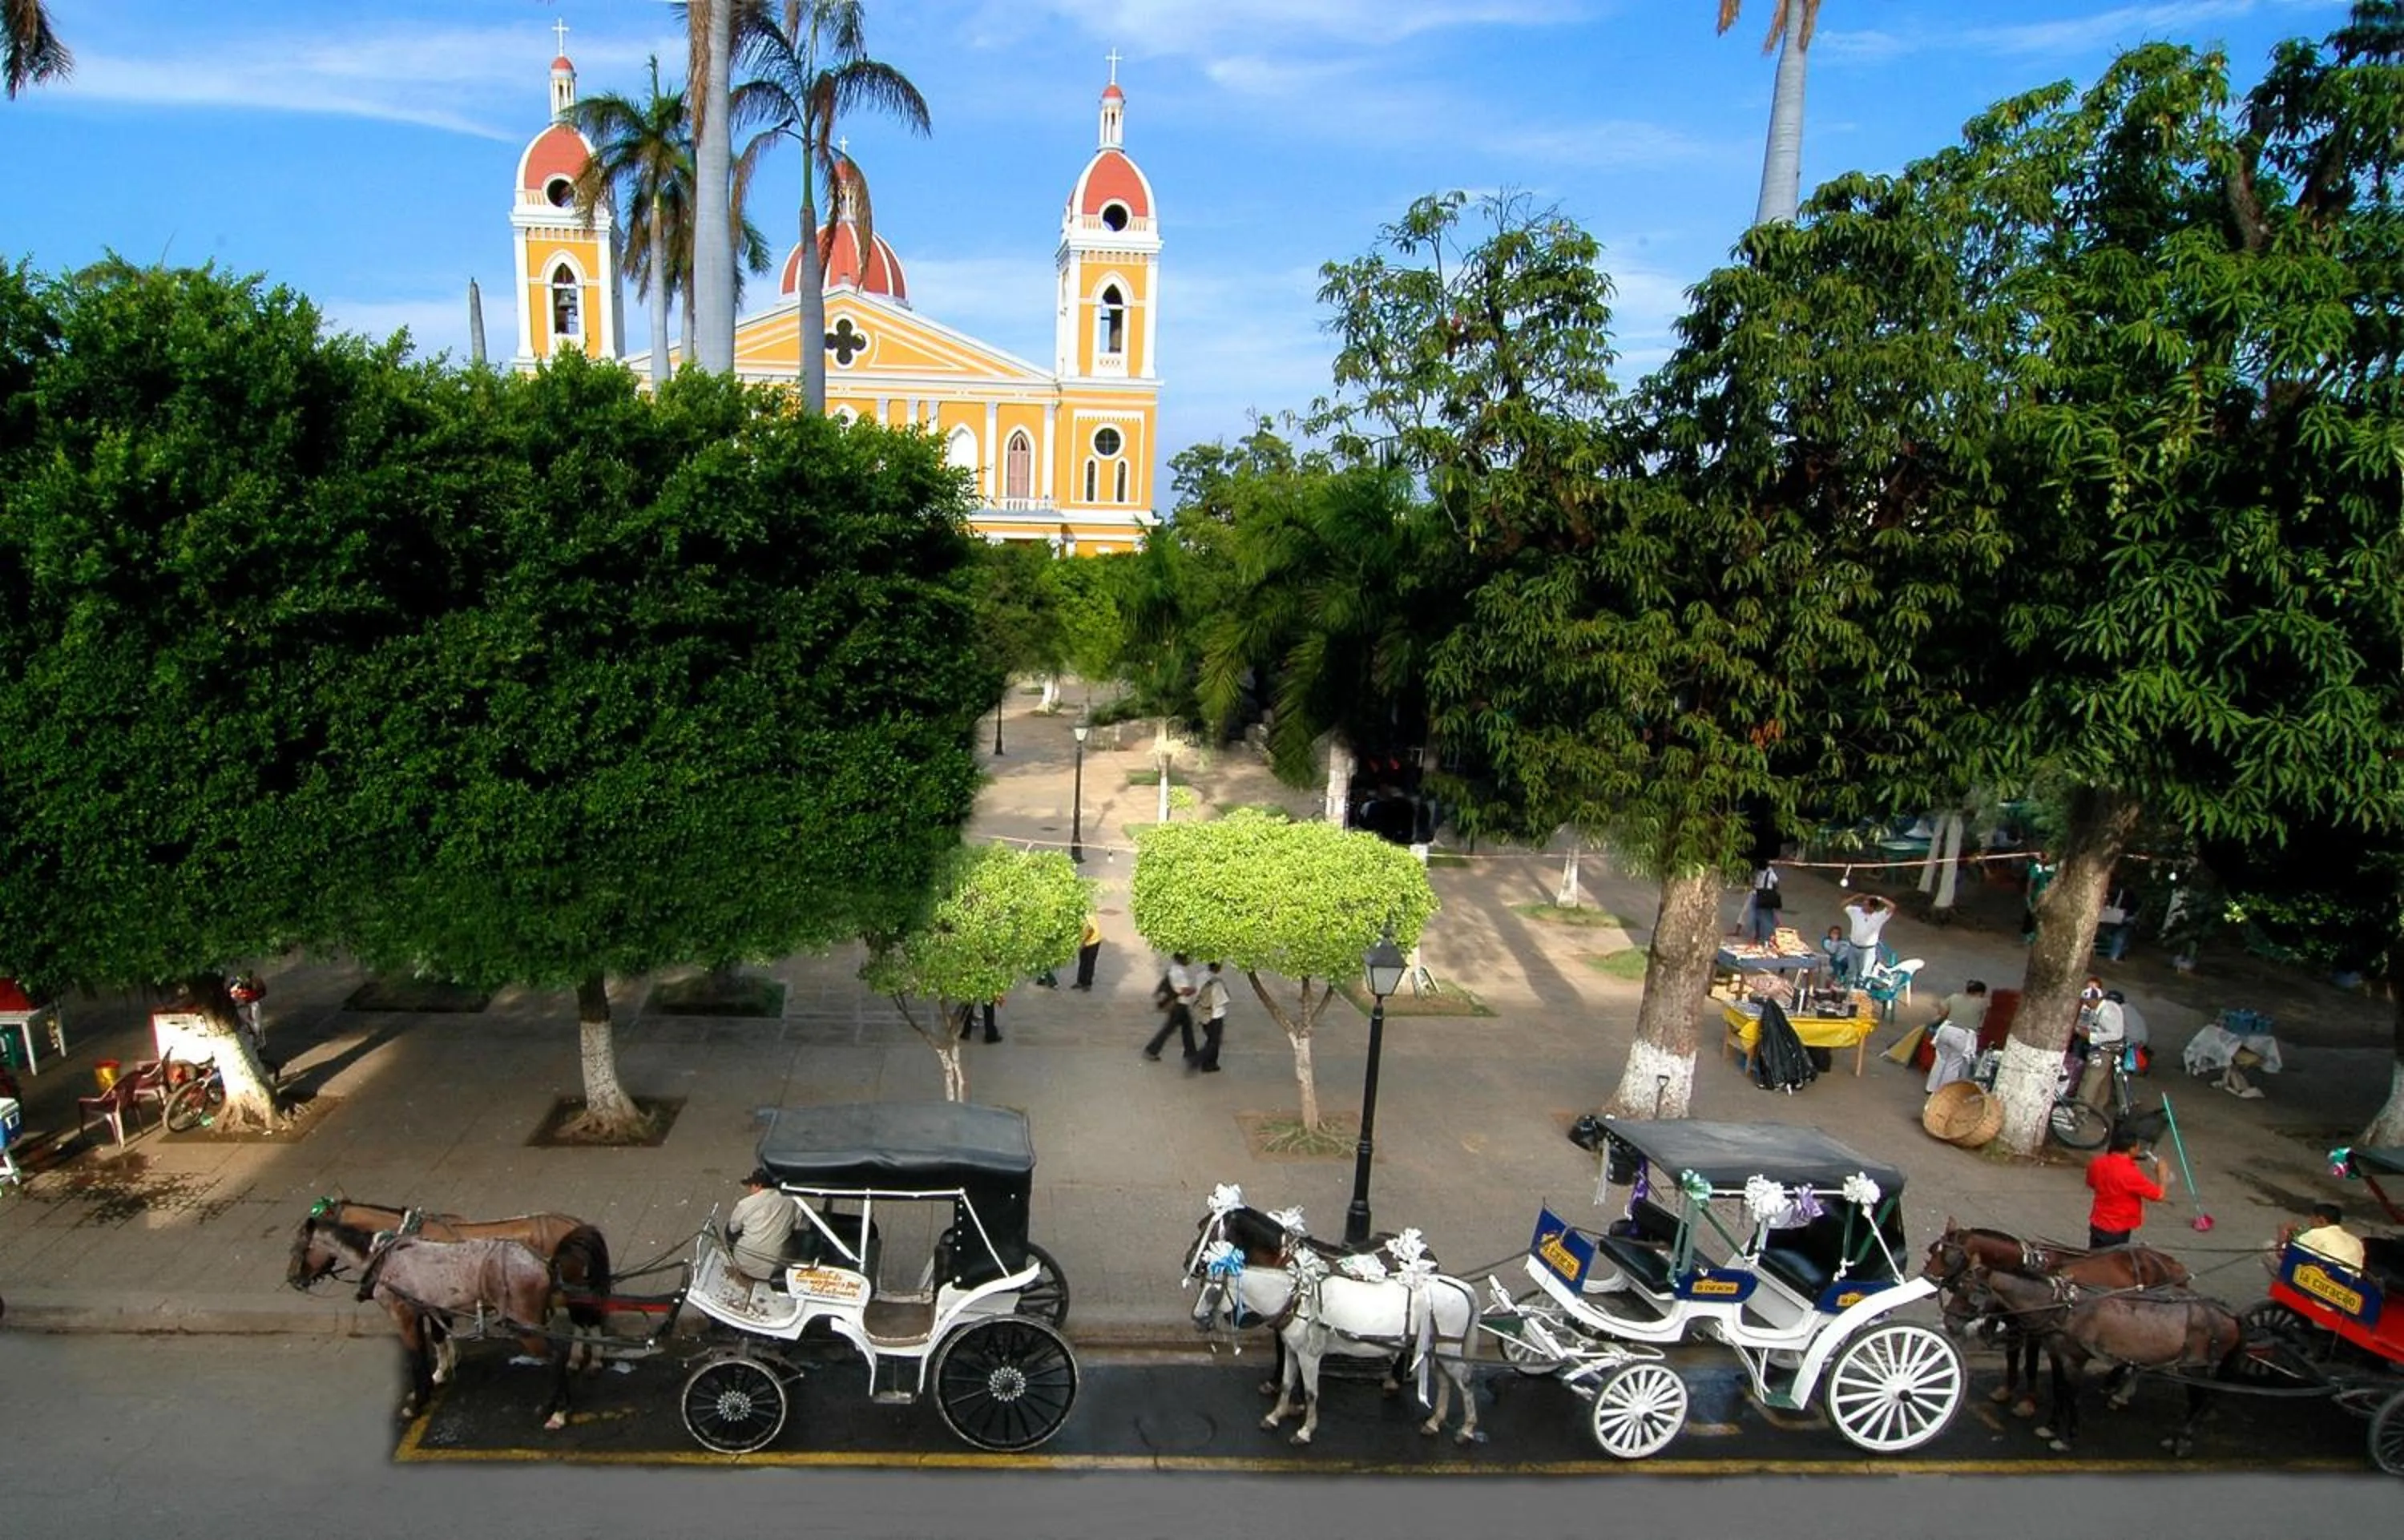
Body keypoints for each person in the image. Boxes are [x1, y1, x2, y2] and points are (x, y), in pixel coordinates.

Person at [2085, 1128, 2171, 1249]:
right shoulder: (2131, 1173)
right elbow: (2158, 1195)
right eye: (2137, 1146)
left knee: (2095, 1257)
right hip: (2118, 1227)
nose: (2138, 1149)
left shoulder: (2097, 1163)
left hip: (2098, 1221)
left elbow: (2091, 1183)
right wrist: (2162, 1175)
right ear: (2131, 1149)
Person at [728, 1168, 797, 1284]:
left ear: (758, 1185)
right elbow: (800, 1225)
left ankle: (736, 1256)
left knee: (729, 1230)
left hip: (744, 1265)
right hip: (776, 1269)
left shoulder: (746, 1204)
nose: (750, 1190)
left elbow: (733, 1228)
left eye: (751, 1186)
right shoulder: (791, 1200)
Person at [1924, 980, 1989, 1093]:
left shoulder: (1954, 997)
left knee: (1940, 1060)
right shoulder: (1982, 1003)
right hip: (1962, 1035)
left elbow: (1942, 1013)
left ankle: (1930, 1088)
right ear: (1980, 993)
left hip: (1946, 1030)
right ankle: (1944, 1092)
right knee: (1953, 1064)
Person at [2075, 987, 2126, 1111]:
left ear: (2096, 999)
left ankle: (2080, 1111)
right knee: (2104, 1080)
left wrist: (2091, 1036)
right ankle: (2098, 1107)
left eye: (2088, 1001)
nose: (2086, 1004)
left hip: (2106, 1049)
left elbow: (2116, 1034)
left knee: (2090, 1079)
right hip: (2107, 1047)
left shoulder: (2108, 1012)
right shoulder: (2097, 1008)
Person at [2282, 1200, 2367, 1272]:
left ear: (2321, 1220)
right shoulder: (2356, 1242)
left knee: (2271, 1246)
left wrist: (2284, 1232)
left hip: (2321, 1278)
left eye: (2312, 1219)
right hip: (2348, 1285)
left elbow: (2289, 1252)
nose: (2310, 1222)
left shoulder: (2317, 1233)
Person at [1144, 953, 1198, 1062]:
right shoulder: (1179, 973)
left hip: (1180, 1005)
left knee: (1187, 1028)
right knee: (1169, 1029)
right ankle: (1151, 1050)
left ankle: (1190, 1052)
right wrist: (1196, 989)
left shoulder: (1174, 969)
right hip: (1179, 1005)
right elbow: (1183, 991)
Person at [1841, 893, 1894, 984]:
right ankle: (1848, 992)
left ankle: (1861, 994)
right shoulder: (1856, 911)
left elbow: (1892, 907)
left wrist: (1879, 898)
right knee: (1851, 973)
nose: (1863, 906)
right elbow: (1843, 905)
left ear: (1872, 907)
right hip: (1853, 947)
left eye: (1866, 905)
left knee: (1864, 975)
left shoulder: (1879, 916)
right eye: (1863, 903)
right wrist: (1855, 897)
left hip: (1867, 950)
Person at [1192, 961, 1231, 1073]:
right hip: (1215, 1014)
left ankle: (1210, 1063)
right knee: (1214, 1041)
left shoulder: (1200, 976)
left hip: (1202, 1013)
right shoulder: (1217, 982)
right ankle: (1202, 1061)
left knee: (1211, 1039)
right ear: (1218, 967)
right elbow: (1222, 1000)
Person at [2023, 851, 2056, 944]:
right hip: (2037, 896)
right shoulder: (2036, 868)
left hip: (2048, 895)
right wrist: (2028, 897)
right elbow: (2030, 883)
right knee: (2032, 915)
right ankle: (2029, 934)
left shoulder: (2052, 868)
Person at [1746, 865, 1783, 945]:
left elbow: (1752, 882)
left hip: (1756, 895)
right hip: (1766, 896)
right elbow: (1776, 884)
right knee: (1768, 918)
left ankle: (1756, 937)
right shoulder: (1770, 872)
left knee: (1757, 917)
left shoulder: (1757, 871)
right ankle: (1767, 939)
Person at [1072, 915, 1103, 990]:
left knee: (1090, 962)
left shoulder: (1084, 919)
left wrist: (1081, 943)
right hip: (1086, 940)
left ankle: (1087, 984)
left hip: (1094, 941)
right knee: (1083, 961)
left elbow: (1090, 930)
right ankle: (1080, 981)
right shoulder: (1080, 916)